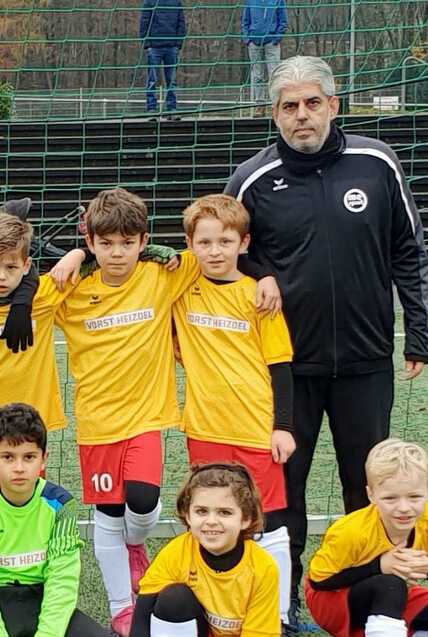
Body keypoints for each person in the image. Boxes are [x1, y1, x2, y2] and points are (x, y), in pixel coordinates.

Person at [224, 55, 428, 624]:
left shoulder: (377, 162)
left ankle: (376, 598)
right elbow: (220, 250)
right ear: (274, 115)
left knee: (369, 489)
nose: (302, 115)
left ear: (334, 106)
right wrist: (258, 270)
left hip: (366, 361)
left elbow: (409, 250)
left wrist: (419, 330)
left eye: (313, 103)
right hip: (287, 367)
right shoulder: (252, 179)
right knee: (283, 490)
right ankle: (282, 601)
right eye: (289, 106)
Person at [49, 188, 203, 636]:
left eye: (129, 242)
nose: (118, 253)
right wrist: (72, 257)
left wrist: (163, 251)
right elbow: (7, 275)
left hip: (147, 418)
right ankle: (121, 607)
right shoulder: (71, 290)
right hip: (96, 423)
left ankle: (137, 545)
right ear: (92, 241)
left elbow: (215, 249)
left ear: (142, 241)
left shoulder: (161, 275)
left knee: (142, 498)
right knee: (108, 513)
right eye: (106, 243)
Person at [173, 194, 296, 633]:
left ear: (243, 243)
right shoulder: (182, 289)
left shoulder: (259, 297)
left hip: (256, 428)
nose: (215, 251)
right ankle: (212, 608)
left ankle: (277, 613)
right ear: (190, 245)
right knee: (211, 519)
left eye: (225, 241)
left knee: (269, 522)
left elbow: (280, 366)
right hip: (204, 428)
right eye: (204, 242)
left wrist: (283, 427)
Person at [0, 402, 104, 637]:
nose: (19, 468)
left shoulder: (60, 504)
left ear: (43, 459)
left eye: (29, 457)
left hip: (43, 598)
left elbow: (62, 579)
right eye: (8, 457)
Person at [0, 211, 69, 496]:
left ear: (26, 265)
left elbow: (99, 263)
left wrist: (77, 253)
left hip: (31, 422)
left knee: (26, 501)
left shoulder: (44, 294)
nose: (1, 276)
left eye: (11, 267)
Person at [131, 464, 280, 637]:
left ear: (246, 519)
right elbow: (141, 619)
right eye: (201, 511)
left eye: (224, 512)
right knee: (174, 598)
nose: (211, 521)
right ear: (188, 515)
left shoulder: (263, 568)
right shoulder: (177, 552)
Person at [306, 439, 428, 637]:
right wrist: (379, 566)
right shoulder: (351, 531)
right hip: (334, 599)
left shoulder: (425, 520)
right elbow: (319, 582)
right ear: (371, 495)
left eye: (414, 497)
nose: (404, 508)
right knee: (390, 584)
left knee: (393, 588)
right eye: (390, 498)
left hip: (391, 598)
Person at [139, 0, 186, 118]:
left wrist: (178, 43)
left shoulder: (176, 3)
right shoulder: (149, 2)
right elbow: (144, 23)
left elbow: (181, 23)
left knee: (172, 80)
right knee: (152, 80)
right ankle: (151, 109)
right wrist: (147, 44)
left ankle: (171, 109)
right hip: (154, 46)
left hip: (171, 46)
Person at [242, 0, 287, 114]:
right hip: (254, 42)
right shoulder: (250, 2)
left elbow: (283, 21)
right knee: (257, 75)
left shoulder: (278, 1)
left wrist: (276, 38)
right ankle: (259, 105)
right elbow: (245, 21)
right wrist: (247, 39)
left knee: (274, 74)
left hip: (271, 42)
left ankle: (276, 104)